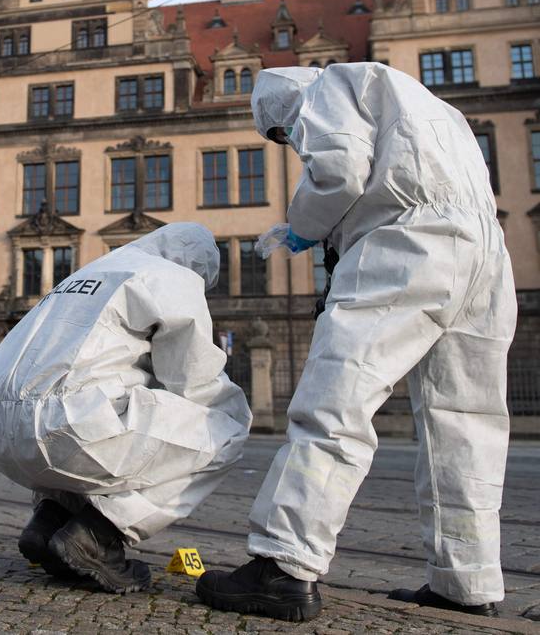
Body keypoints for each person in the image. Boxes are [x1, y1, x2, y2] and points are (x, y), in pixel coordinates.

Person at [196, 63, 517, 623]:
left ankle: (284, 565)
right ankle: (467, 581)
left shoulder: (327, 86)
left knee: (335, 402)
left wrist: (304, 226)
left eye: (284, 133)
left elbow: (340, 171)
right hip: (485, 254)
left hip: (408, 244)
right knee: (467, 421)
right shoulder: (431, 105)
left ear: (285, 102)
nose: (291, 142)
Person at [0, 222, 251, 594]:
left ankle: (50, 522)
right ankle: (98, 536)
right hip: (68, 432)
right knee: (225, 430)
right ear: (195, 265)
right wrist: (223, 412)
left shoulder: (90, 271)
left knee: (102, 409)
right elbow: (192, 379)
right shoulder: (175, 277)